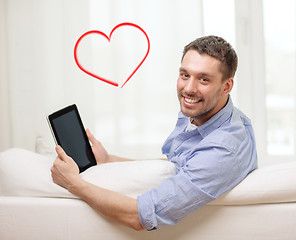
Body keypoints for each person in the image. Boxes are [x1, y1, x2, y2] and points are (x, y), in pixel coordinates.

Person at [51, 35, 258, 231]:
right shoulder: (209, 111)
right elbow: (176, 162)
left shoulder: (221, 151)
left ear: (227, 86)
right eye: (185, 75)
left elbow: (140, 216)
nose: (189, 88)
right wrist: (109, 159)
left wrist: (72, 182)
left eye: (204, 79)